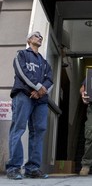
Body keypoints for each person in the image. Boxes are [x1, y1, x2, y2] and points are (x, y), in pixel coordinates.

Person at [6, 31, 54, 180]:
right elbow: (22, 72)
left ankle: (32, 168)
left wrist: (40, 91)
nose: (39, 38)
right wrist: (37, 87)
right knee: (18, 128)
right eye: (36, 36)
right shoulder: (21, 54)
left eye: (41, 37)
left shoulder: (44, 62)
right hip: (23, 95)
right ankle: (13, 167)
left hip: (40, 99)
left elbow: (50, 79)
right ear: (29, 40)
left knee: (38, 131)